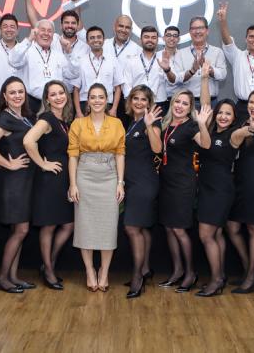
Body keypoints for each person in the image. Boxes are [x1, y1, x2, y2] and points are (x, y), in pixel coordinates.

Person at [196, 65, 254, 297]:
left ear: (234, 118)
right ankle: (221, 275)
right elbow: (206, 105)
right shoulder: (209, 130)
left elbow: (243, 133)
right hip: (206, 187)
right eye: (220, 113)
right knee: (215, 235)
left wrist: (251, 128)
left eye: (228, 114)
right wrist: (205, 78)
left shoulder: (232, 135)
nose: (223, 116)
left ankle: (215, 280)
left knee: (206, 235)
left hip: (220, 190)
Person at [67, 83, 126, 292]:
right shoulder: (78, 124)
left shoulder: (117, 123)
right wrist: (73, 184)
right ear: (88, 100)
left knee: (108, 227)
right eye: (93, 97)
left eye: (101, 97)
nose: (97, 101)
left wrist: (120, 183)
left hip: (109, 177)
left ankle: (104, 271)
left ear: (107, 99)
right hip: (85, 176)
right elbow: (73, 156)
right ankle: (90, 270)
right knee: (85, 226)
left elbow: (120, 153)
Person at [0, 76, 35, 293]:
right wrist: (8, 165)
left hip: (24, 181)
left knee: (18, 230)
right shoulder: (5, 118)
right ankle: (3, 278)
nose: (17, 95)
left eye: (20, 91)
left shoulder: (24, 117)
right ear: (4, 96)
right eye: (12, 92)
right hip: (14, 182)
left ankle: (13, 276)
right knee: (21, 230)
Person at [157, 89, 212, 293]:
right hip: (165, 182)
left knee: (179, 229)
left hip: (182, 184)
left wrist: (202, 124)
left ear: (190, 109)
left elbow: (206, 145)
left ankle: (190, 273)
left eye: (185, 103)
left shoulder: (191, 126)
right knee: (168, 228)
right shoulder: (165, 124)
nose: (180, 106)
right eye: (177, 101)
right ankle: (177, 270)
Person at [23, 80, 75, 290]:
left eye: (61, 93)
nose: (58, 97)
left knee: (68, 225)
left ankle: (48, 265)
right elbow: (28, 141)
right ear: (47, 99)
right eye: (53, 94)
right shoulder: (46, 118)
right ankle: (49, 271)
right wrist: (42, 164)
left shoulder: (64, 121)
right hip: (49, 181)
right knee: (49, 226)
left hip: (62, 180)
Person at [225, 87, 254, 294]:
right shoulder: (243, 122)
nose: (253, 106)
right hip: (238, 179)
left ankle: (252, 277)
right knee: (232, 226)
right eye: (251, 102)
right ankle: (248, 270)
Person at [121, 85, 162, 299]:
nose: (139, 102)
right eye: (135, 98)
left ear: (149, 103)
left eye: (143, 99)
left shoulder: (151, 122)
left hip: (144, 183)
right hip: (132, 182)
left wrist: (148, 125)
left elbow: (157, 149)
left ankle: (137, 277)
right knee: (143, 228)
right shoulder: (131, 122)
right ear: (130, 101)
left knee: (131, 228)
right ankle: (145, 269)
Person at [8, 18, 81, 115]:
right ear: (35, 32)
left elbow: (73, 74)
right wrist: (29, 39)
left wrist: (69, 52)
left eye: (49, 31)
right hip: (31, 103)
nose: (46, 33)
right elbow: (13, 60)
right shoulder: (27, 50)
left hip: (54, 104)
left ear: (53, 36)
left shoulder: (58, 54)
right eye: (43, 30)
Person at [68, 26, 124, 118]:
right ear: (87, 41)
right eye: (92, 38)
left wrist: (114, 109)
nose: (96, 40)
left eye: (99, 37)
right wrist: (78, 112)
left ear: (103, 39)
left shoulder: (113, 60)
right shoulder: (81, 61)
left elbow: (118, 87)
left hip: (107, 105)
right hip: (85, 105)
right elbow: (76, 89)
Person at [171, 17, 227, 103]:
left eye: (200, 28)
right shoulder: (180, 53)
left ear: (207, 31)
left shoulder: (217, 52)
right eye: (194, 28)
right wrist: (192, 71)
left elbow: (222, 75)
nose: (197, 31)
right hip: (187, 103)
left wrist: (208, 68)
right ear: (190, 32)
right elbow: (177, 79)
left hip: (211, 101)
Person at [122, 26, 175, 114]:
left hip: (159, 104)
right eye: (146, 37)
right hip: (138, 105)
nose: (150, 40)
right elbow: (127, 85)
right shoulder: (131, 61)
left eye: (153, 37)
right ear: (140, 40)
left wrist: (167, 70)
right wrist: (132, 103)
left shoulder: (164, 59)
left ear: (157, 40)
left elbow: (173, 80)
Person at [160, 25, 182, 105]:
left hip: (179, 100)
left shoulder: (183, 56)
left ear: (178, 39)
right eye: (168, 35)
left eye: (175, 36)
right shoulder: (157, 56)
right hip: (161, 100)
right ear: (163, 38)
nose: (172, 38)